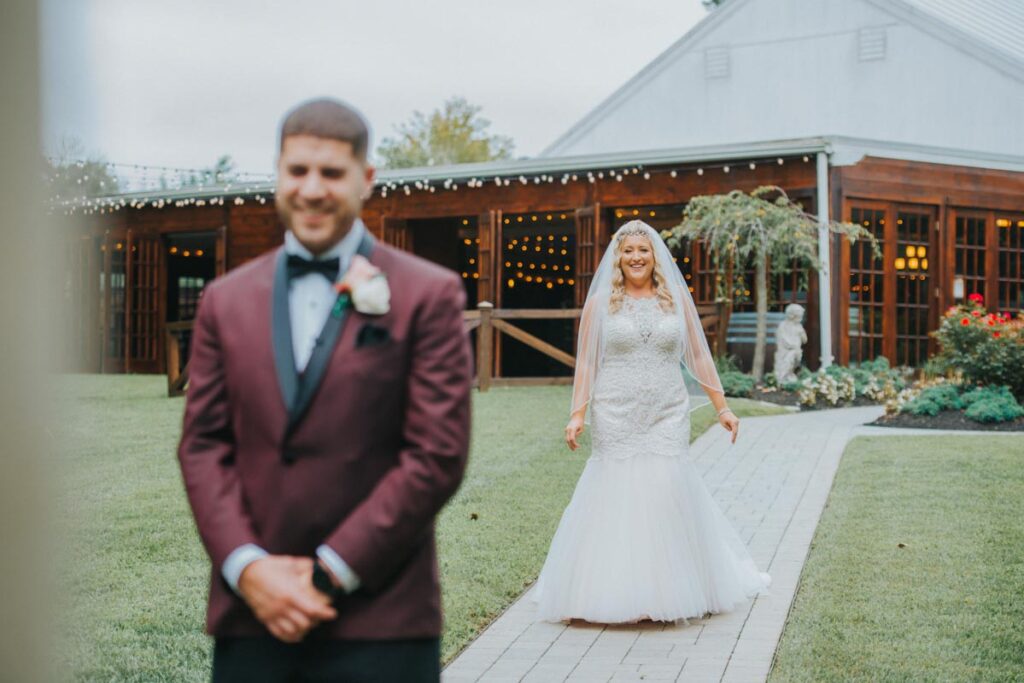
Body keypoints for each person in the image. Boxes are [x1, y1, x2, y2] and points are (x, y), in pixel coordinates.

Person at [178, 98, 472, 682]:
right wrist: (249, 569)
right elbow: (203, 446)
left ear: (366, 180)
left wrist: (328, 572)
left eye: (332, 173)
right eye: (297, 171)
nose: (312, 190)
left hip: (383, 618)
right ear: (278, 174)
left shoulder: (427, 295)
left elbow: (436, 455)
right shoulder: (225, 299)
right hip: (252, 616)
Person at [534, 220, 769, 624]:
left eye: (643, 250)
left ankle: (673, 588)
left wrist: (722, 408)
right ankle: (616, 591)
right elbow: (588, 362)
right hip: (615, 409)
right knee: (618, 493)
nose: (636, 257)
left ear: (655, 256)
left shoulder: (675, 298)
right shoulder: (600, 304)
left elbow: (698, 357)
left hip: (667, 410)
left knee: (665, 491)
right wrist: (577, 414)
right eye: (628, 251)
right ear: (618, 258)